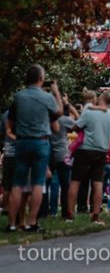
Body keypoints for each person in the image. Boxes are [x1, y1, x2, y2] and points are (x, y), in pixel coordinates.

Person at [5, 65, 63, 232]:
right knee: (38, 182)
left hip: (22, 142)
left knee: (18, 183)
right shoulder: (46, 98)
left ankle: (12, 223)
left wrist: (13, 131)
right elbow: (58, 112)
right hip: (41, 142)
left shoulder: (18, 97)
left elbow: (11, 119)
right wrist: (56, 92)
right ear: (41, 79)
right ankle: (32, 222)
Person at [66, 92, 110, 224]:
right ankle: (95, 214)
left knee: (75, 182)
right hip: (101, 151)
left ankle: (69, 214)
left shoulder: (89, 112)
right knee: (98, 184)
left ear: (99, 99)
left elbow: (76, 127)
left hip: (84, 150)